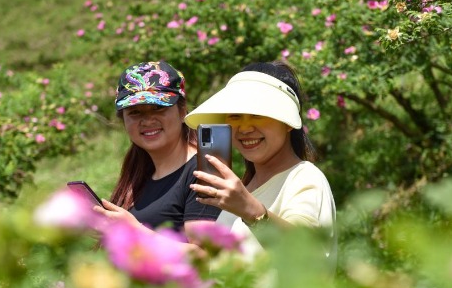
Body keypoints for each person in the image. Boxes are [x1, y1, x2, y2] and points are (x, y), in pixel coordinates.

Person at [184, 60, 337, 262]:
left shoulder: (304, 177)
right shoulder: (245, 188)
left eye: (258, 114)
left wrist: (251, 211)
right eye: (236, 116)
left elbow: (305, 253)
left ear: (288, 121)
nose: (245, 128)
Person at [94, 60, 221, 241]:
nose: (147, 120)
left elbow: (203, 257)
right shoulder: (138, 173)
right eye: (135, 112)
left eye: (158, 108)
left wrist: (134, 231)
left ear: (182, 111)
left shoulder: (205, 172)